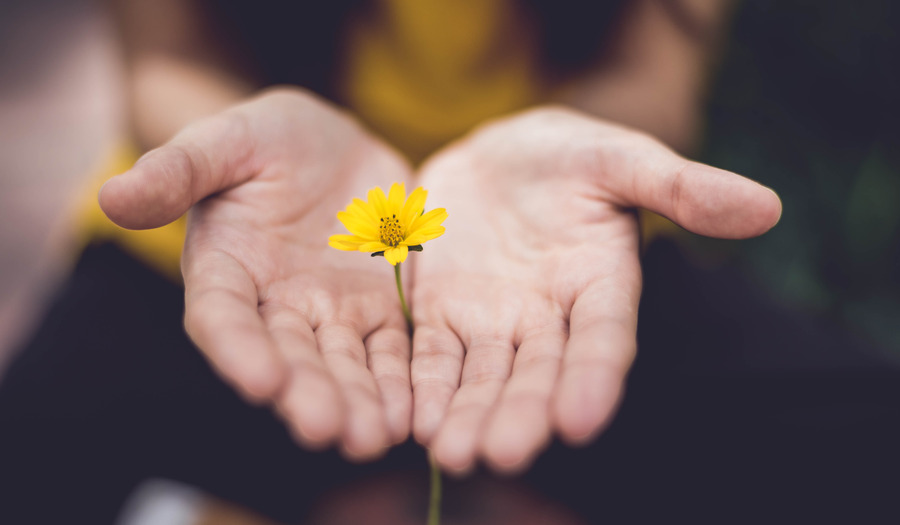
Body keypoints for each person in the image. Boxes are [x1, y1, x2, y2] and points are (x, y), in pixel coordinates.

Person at [10, 1, 893, 523]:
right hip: (251, 252)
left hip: (547, 257)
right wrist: (228, 145)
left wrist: (581, 141)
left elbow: (653, 74)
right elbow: (167, 56)